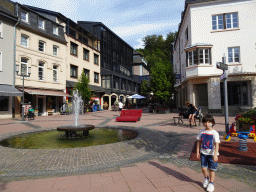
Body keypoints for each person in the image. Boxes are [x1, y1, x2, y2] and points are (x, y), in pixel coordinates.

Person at [196, 114, 220, 192]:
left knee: (212, 169)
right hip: (203, 153)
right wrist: (197, 152)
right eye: (205, 122)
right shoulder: (201, 132)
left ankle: (211, 183)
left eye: (209, 122)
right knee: (203, 168)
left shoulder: (214, 133)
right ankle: (206, 178)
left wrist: (215, 155)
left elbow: (217, 144)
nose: (207, 124)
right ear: (203, 123)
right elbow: (198, 142)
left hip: (212, 154)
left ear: (212, 123)